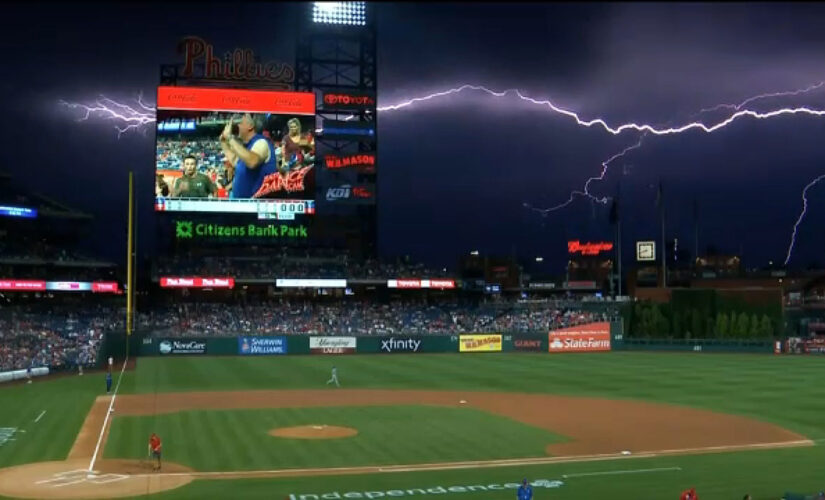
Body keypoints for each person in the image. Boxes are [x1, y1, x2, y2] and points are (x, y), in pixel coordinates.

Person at [220, 114, 276, 199]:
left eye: (240, 122)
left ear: (250, 126)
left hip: (257, 206)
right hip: (243, 205)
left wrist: (230, 138)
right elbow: (236, 162)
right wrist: (223, 142)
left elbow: (252, 162)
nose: (237, 125)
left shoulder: (261, 142)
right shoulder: (247, 147)